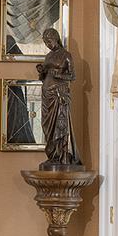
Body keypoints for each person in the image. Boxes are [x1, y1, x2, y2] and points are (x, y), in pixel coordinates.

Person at [37, 26, 82, 170]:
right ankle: (52, 156)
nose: (48, 45)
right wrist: (42, 72)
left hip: (59, 96)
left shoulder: (66, 55)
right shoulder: (48, 56)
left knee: (59, 126)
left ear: (55, 38)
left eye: (49, 41)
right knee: (47, 127)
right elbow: (44, 77)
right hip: (47, 96)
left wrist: (58, 75)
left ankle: (61, 156)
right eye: (45, 43)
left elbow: (72, 76)